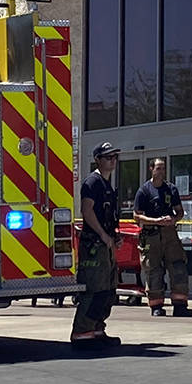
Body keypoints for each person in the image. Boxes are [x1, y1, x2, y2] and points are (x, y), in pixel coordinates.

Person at [71, 142, 123, 349]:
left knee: (108, 290)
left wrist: (114, 236)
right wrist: (102, 234)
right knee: (94, 289)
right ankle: (82, 333)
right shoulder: (92, 182)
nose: (112, 160)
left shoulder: (106, 184)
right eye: (108, 157)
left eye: (114, 157)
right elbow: (87, 210)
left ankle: (97, 329)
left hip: (106, 245)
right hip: (94, 245)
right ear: (97, 160)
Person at [133, 158, 192, 317]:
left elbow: (179, 211)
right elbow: (137, 217)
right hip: (151, 235)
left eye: (163, 169)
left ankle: (180, 305)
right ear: (151, 169)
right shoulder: (144, 191)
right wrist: (156, 221)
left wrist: (174, 219)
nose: (161, 171)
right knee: (153, 270)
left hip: (170, 234)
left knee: (178, 267)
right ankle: (156, 306)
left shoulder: (171, 189)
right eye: (158, 168)